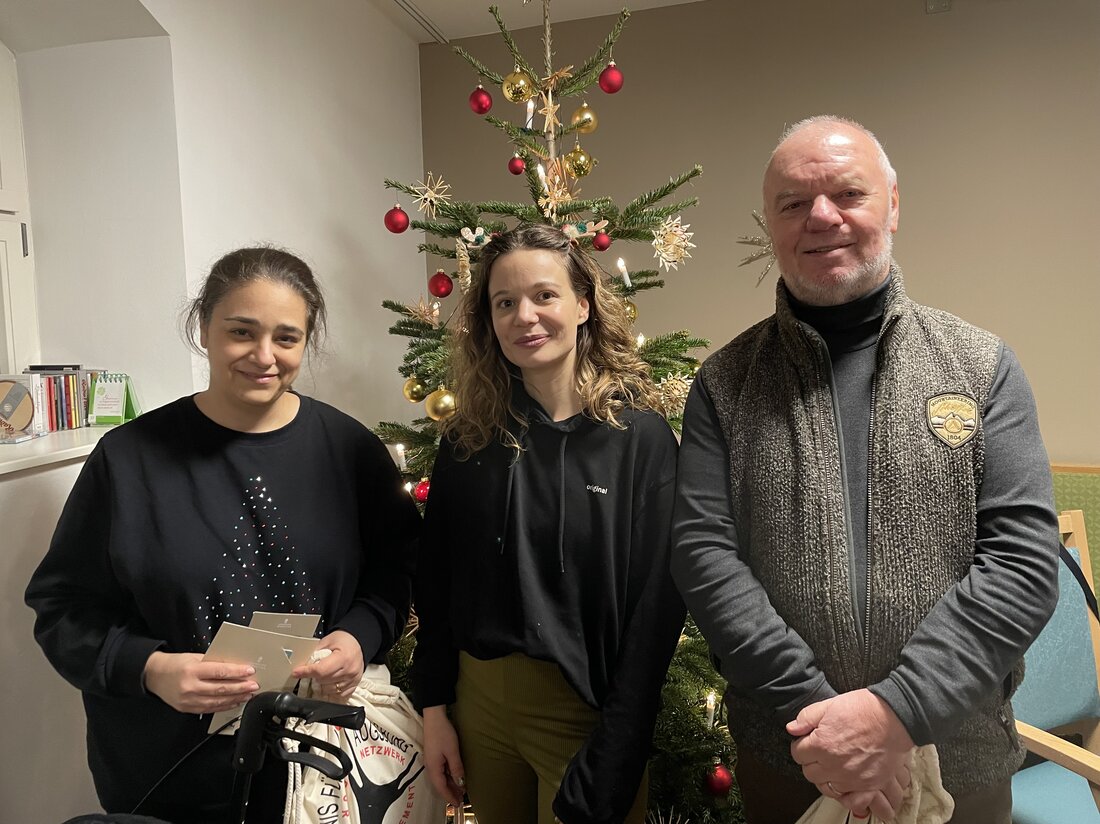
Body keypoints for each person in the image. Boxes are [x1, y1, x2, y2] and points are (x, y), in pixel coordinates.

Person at [671, 116, 1059, 824]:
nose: (821, 216)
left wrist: (895, 715)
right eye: (793, 202)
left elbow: (1023, 564)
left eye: (848, 193)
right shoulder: (724, 384)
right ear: (771, 224)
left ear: (894, 204)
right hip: (792, 758)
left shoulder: (982, 368)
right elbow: (704, 559)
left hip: (961, 761)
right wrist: (825, 726)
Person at [25, 247, 420, 823]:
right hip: (168, 769)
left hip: (323, 768)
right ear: (204, 328)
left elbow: (395, 572)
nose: (265, 356)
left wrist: (358, 638)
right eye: (241, 332)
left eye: (287, 338)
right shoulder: (129, 459)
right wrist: (151, 668)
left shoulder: (350, 450)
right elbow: (61, 609)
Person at [411, 223, 685, 824]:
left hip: (587, 708)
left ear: (583, 305)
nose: (524, 316)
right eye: (504, 303)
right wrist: (434, 707)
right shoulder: (469, 439)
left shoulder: (640, 439)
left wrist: (621, 742)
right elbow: (435, 581)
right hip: (479, 702)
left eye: (544, 295)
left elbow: (657, 610)